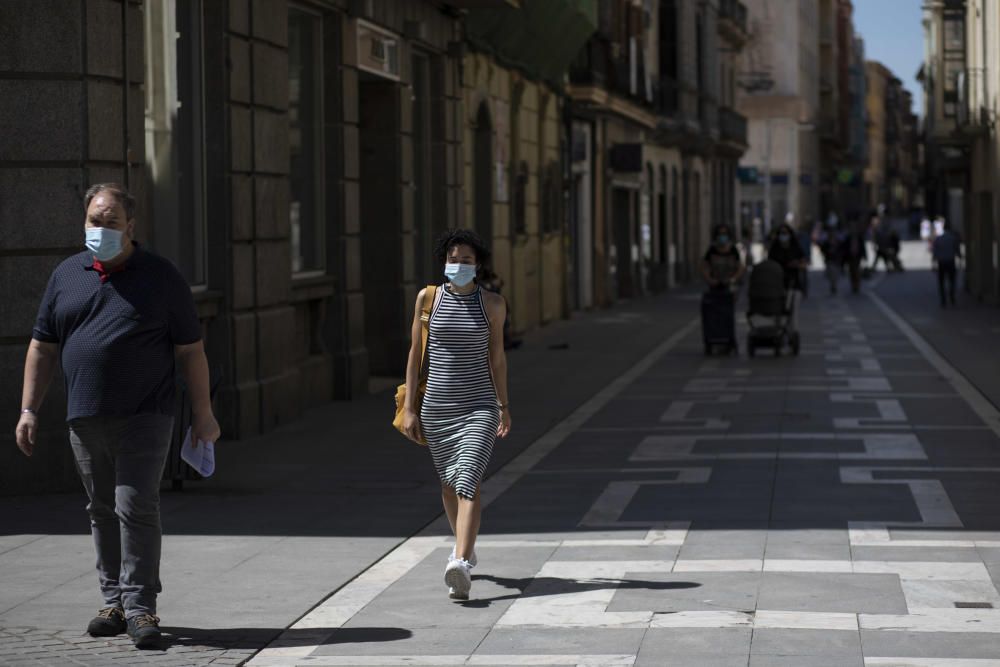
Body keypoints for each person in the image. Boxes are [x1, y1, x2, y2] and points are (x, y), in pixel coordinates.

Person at [15, 184, 219, 649]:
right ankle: (113, 602)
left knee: (136, 505)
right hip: (84, 416)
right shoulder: (67, 275)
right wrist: (29, 409)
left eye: (110, 221)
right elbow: (42, 347)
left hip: (146, 413)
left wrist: (204, 414)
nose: (100, 229)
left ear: (131, 225)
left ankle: (141, 605)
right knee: (101, 508)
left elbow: (191, 351)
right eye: (93, 220)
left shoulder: (161, 277)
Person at [401, 229, 511, 601]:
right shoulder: (428, 299)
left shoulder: (493, 304)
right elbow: (415, 355)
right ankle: (467, 543)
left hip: (479, 405)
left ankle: (460, 560)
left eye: (466, 260)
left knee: (468, 480)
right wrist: (411, 410)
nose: (458, 265)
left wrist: (503, 406)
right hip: (437, 408)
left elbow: (497, 358)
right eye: (453, 258)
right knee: (448, 484)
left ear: (478, 265)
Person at [768, 222, 807, 332]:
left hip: (794, 284)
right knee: (779, 312)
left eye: (785, 233)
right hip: (778, 286)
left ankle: (792, 334)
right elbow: (770, 264)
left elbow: (804, 263)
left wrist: (797, 264)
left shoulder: (796, 247)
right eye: (781, 233)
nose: (783, 235)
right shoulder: (774, 248)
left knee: (793, 312)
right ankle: (779, 333)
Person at [700, 224, 746, 291]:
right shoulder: (712, 250)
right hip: (714, 285)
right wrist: (710, 279)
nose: (722, 236)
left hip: (730, 286)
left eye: (724, 234)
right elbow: (704, 266)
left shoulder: (733, 250)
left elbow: (740, 267)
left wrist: (733, 279)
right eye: (720, 234)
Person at [932, 220, 963, 307]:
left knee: (941, 282)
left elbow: (935, 252)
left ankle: (943, 300)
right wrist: (960, 259)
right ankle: (951, 296)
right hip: (950, 262)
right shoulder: (953, 238)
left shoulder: (938, 239)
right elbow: (957, 250)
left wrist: (933, 264)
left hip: (941, 263)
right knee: (952, 281)